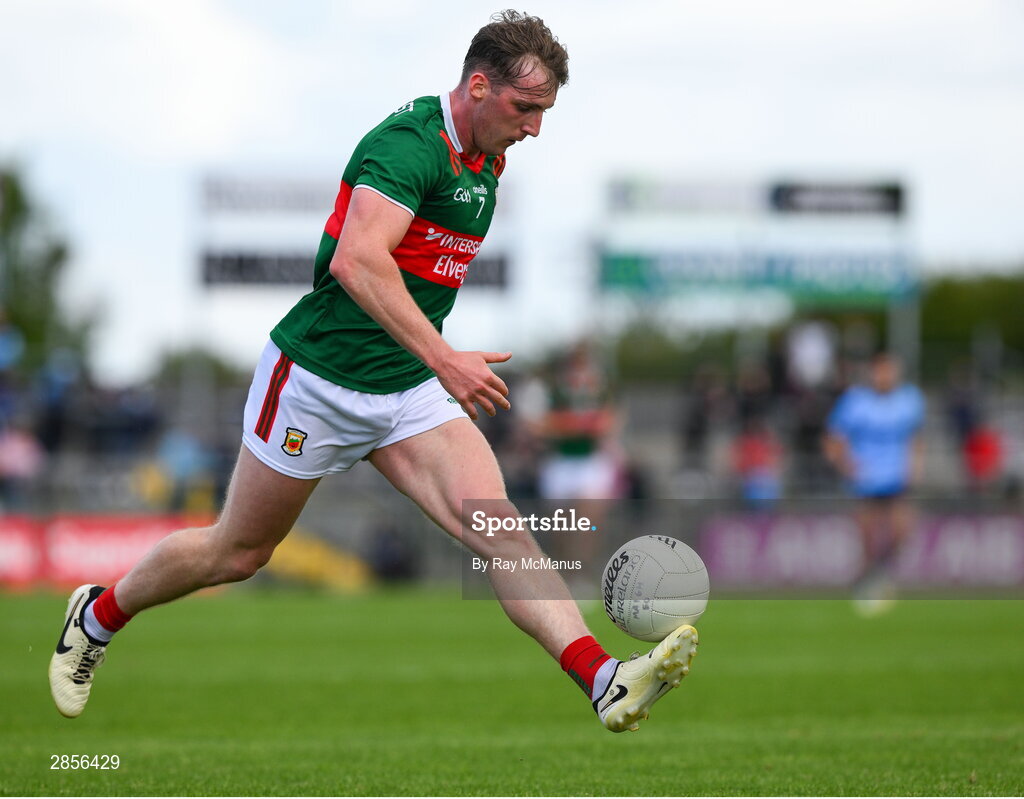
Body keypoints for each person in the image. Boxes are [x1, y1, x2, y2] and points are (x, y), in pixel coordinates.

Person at [49, 10, 698, 733]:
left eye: (545, 113)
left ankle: (602, 678)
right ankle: (98, 615)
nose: (535, 129)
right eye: (525, 109)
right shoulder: (407, 145)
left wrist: (431, 361)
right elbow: (357, 260)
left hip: (407, 389)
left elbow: (412, 280)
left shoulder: (489, 160)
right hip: (317, 381)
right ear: (477, 87)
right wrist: (445, 355)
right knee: (237, 552)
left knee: (501, 528)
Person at [823, 350, 925, 611]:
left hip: (896, 478)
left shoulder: (909, 400)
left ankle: (876, 572)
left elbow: (916, 437)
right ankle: (868, 580)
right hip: (866, 479)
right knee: (867, 536)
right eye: (881, 370)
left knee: (903, 531)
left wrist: (916, 465)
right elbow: (834, 439)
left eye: (890, 370)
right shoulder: (855, 401)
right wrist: (848, 466)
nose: (885, 376)